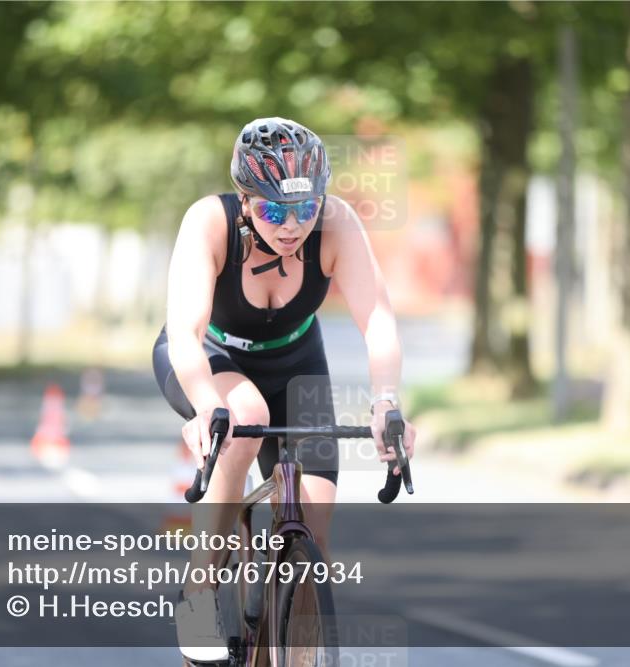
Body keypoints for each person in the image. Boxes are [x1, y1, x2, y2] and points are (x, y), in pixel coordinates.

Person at [152, 117, 416, 662]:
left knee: (314, 527)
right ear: (246, 201)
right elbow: (186, 333)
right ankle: (200, 591)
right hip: (212, 355)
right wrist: (206, 407)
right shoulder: (210, 222)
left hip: (296, 358)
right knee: (242, 416)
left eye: (306, 208)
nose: (293, 225)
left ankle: (290, 641)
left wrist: (387, 403)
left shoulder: (337, 224)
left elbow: (379, 321)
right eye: (275, 210)